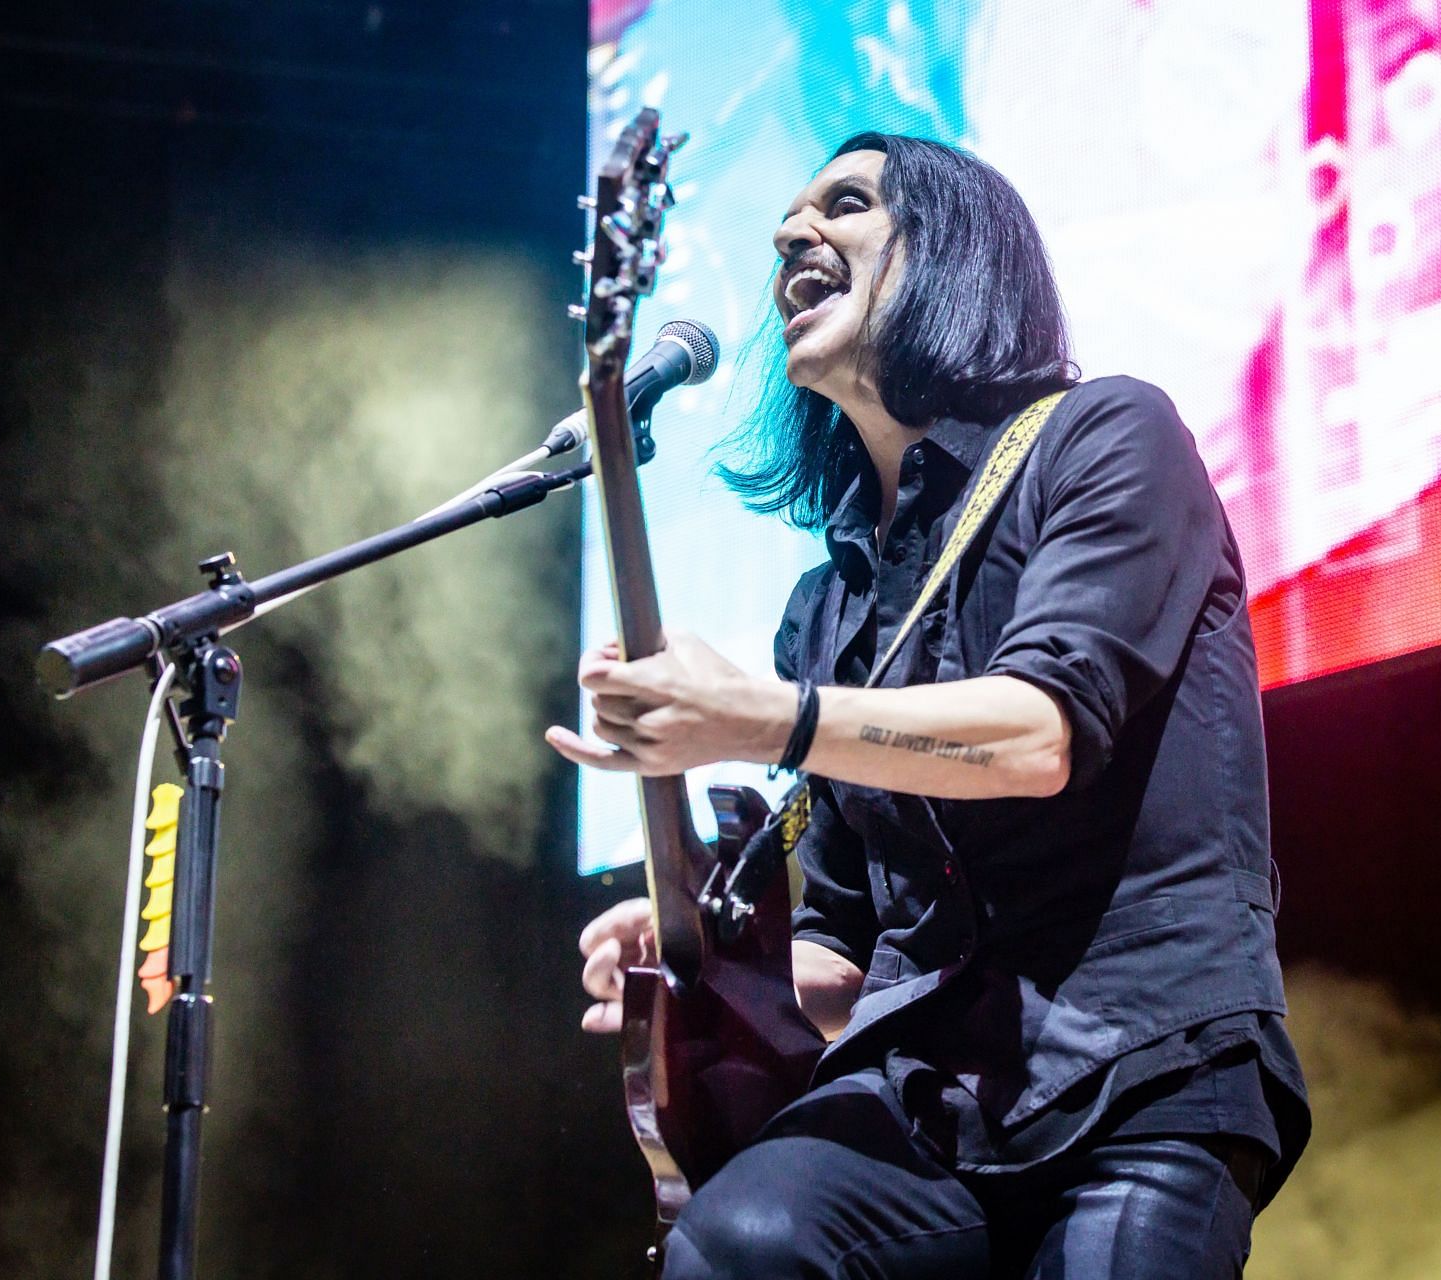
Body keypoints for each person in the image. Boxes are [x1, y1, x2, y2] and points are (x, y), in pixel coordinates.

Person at [546, 131, 1309, 1279]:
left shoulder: (1105, 435)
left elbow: (1040, 729)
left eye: (844, 204)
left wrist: (771, 718)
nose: (789, 234)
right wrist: (702, 954)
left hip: (1146, 1067)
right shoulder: (828, 606)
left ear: (954, 251)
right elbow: (843, 967)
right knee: (739, 1240)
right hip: (923, 1096)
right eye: (789, 219)